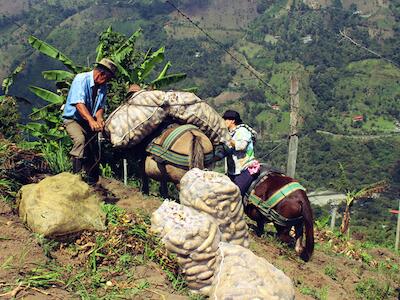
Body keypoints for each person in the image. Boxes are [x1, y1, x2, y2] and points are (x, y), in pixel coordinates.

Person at [62, 58, 117, 184]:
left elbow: (100, 107)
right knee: (80, 140)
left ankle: (92, 181)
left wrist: (99, 119)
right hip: (73, 119)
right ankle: (75, 179)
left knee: (94, 150)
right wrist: (92, 121)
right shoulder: (81, 79)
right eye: (108, 78)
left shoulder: (102, 86)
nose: (108, 81)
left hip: (87, 120)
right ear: (101, 74)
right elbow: (79, 104)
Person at [222, 110, 260, 197]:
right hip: (233, 171)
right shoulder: (230, 134)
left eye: (226, 119)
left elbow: (241, 146)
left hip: (245, 169)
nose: (224, 122)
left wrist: (227, 140)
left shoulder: (242, 131)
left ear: (232, 121)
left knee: (235, 195)